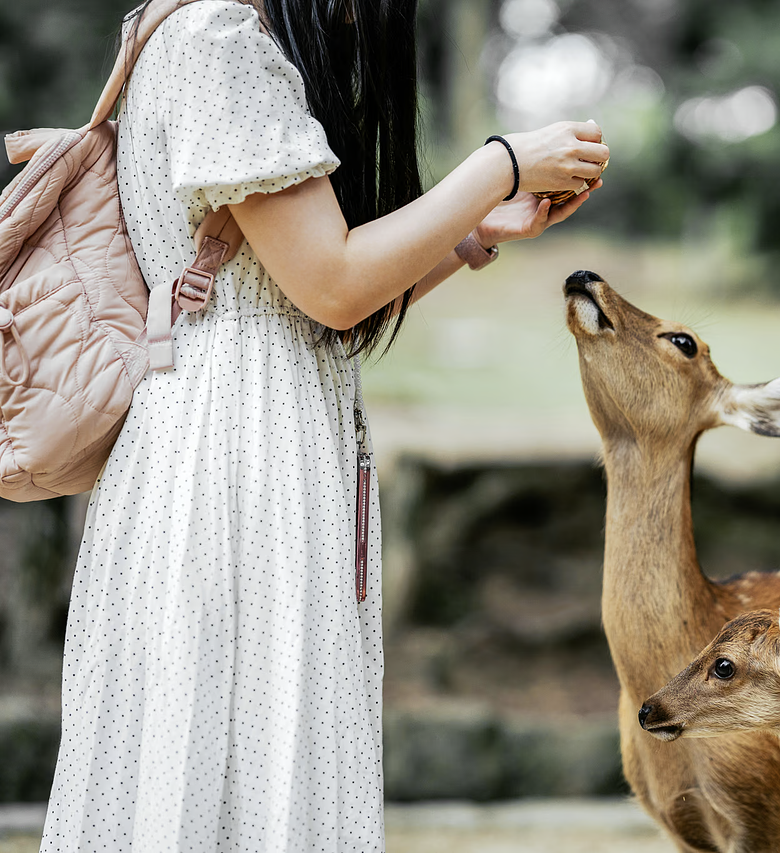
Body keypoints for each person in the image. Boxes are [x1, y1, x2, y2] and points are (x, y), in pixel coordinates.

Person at [38, 0, 607, 850]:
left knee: (243, 760)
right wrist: (501, 164)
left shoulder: (224, 39)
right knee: (227, 756)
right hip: (237, 456)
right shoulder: (218, 43)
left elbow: (313, 301)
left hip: (242, 440)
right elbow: (332, 285)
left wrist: (469, 234)